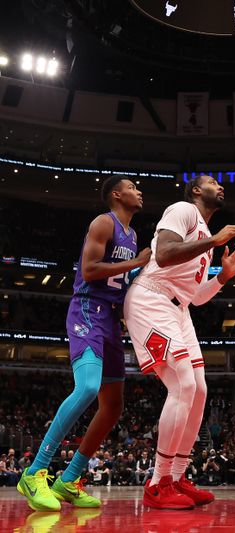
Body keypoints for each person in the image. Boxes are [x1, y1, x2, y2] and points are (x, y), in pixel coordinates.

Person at [17, 176, 150, 512]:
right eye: (133, 186)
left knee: (114, 405)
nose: (139, 190)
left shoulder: (133, 235)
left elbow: (120, 277)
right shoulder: (104, 223)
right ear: (117, 195)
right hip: (88, 310)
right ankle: (34, 472)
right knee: (88, 387)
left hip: (110, 319)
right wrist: (135, 264)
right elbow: (90, 270)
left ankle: (70, 479)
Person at [124, 174, 235, 509]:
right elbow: (163, 254)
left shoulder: (205, 236)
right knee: (182, 384)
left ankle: (178, 477)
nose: (220, 187)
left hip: (179, 310)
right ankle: (157, 483)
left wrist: (223, 276)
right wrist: (214, 242)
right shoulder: (183, 210)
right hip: (152, 298)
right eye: (212, 182)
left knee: (199, 389)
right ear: (196, 191)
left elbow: (195, 299)